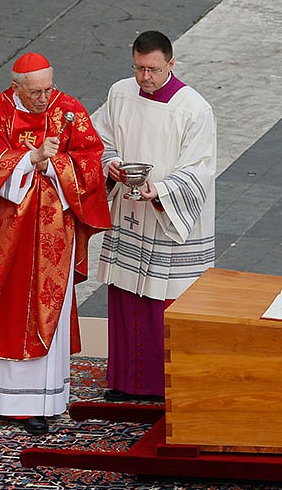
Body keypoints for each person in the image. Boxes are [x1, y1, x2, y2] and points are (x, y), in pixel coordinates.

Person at [0, 52, 111, 434]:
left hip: (53, 233)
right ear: (15, 86)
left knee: (45, 309)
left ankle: (43, 397)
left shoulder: (68, 109)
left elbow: (89, 159)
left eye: (48, 88)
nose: (43, 98)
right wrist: (30, 158)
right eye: (35, 91)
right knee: (3, 305)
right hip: (3, 235)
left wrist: (54, 165)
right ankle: (0, 397)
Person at [92, 30, 217, 402]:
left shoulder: (194, 109)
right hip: (129, 212)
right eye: (139, 68)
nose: (145, 77)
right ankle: (124, 381)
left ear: (171, 64)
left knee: (161, 305)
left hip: (166, 219)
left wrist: (161, 191)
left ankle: (163, 387)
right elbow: (98, 137)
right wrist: (111, 164)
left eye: (153, 69)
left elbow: (201, 168)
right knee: (126, 296)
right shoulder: (121, 93)